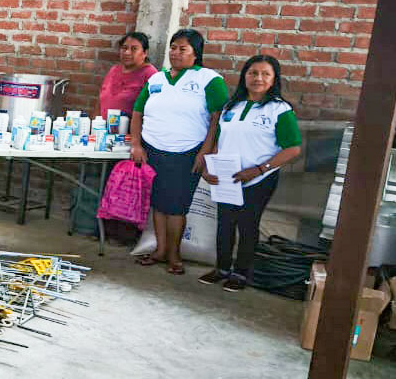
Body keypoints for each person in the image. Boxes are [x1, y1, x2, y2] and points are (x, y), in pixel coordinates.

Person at [129, 28, 227, 275]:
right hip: (153, 150)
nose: (175, 53)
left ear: (196, 53)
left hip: (187, 153)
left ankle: (174, 254)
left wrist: (206, 151)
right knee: (159, 203)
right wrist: (136, 144)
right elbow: (138, 112)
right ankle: (160, 250)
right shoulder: (156, 79)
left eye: (183, 49)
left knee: (177, 206)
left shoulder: (209, 79)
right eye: (173, 47)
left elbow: (218, 118)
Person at [199, 56, 302, 292]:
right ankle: (222, 269)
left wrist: (258, 170)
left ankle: (241, 273)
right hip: (227, 177)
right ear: (244, 75)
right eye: (253, 73)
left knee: (247, 224)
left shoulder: (279, 109)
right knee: (225, 223)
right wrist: (209, 167)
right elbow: (219, 142)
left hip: (259, 179)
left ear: (274, 79)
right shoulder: (231, 107)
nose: (258, 78)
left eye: (265, 74)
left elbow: (293, 148)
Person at [98, 32, 157, 118]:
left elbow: (153, 110)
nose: (127, 52)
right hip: (102, 125)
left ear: (145, 53)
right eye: (124, 48)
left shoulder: (150, 74)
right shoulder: (114, 70)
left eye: (134, 49)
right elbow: (100, 102)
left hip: (130, 126)